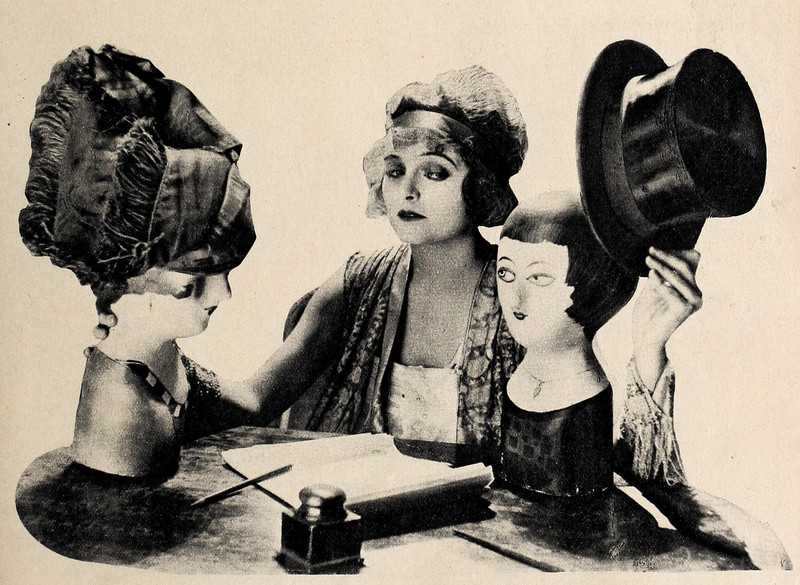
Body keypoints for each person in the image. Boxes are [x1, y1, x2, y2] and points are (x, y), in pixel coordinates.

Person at [19, 45, 256, 477]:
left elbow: (255, 401)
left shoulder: (158, 360)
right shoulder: (122, 411)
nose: (224, 294)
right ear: (134, 278)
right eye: (194, 281)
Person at [495, 195, 696, 497]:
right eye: (506, 274)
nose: (516, 297)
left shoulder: (585, 393)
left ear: (590, 285)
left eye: (539, 277)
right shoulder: (516, 367)